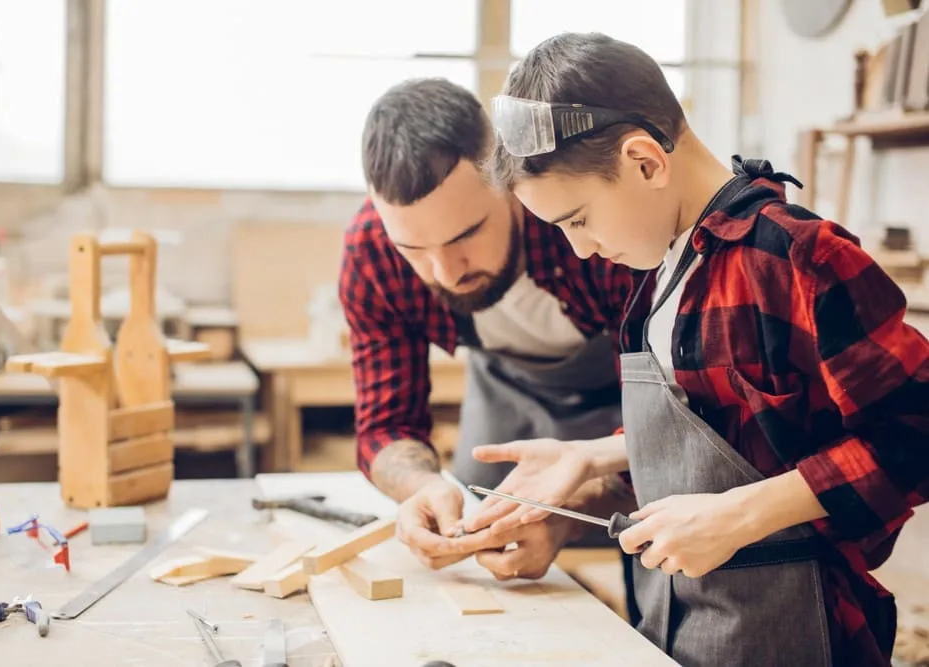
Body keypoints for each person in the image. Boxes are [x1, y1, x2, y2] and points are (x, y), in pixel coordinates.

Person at [470, 31, 929, 667]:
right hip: (674, 623)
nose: (579, 249)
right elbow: (735, 439)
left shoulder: (798, 258)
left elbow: (914, 435)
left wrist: (741, 516)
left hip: (803, 629)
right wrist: (595, 459)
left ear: (645, 162)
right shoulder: (664, 270)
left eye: (577, 219)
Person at [338, 77, 649, 578]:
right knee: (482, 528)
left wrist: (568, 519)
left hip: (630, 396)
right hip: (504, 392)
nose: (447, 273)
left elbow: (665, 434)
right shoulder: (372, 249)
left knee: (652, 530)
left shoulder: (588, 226)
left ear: (508, 181)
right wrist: (422, 488)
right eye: (414, 251)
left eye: (465, 235)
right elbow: (385, 424)